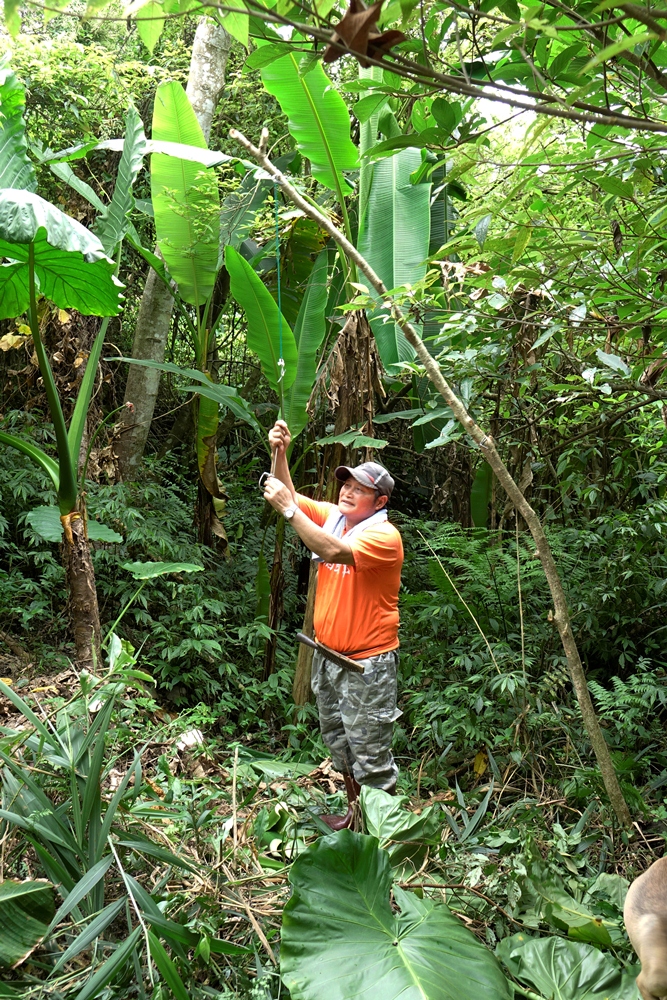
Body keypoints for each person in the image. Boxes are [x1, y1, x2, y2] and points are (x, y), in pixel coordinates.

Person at [263, 419, 404, 830]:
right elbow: (287, 494)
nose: (347, 490)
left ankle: (383, 837)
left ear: (378, 502)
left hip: (366, 666)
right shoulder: (335, 517)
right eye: (346, 484)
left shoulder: (383, 536)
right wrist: (281, 452)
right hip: (328, 657)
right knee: (340, 747)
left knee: (371, 757)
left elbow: (330, 550)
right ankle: (355, 817)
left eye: (359, 489)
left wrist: (288, 511)